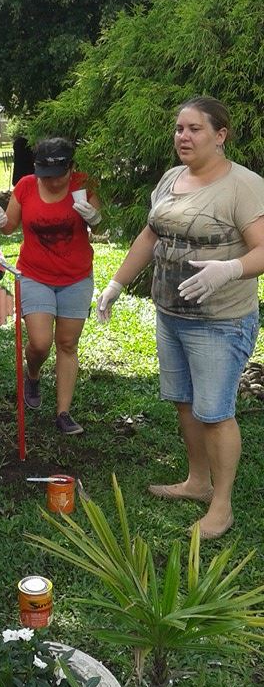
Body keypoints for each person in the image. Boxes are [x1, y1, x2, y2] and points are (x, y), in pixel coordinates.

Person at [97, 97, 264, 539]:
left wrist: (228, 268)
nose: (183, 137)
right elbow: (150, 234)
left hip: (220, 319)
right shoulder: (173, 178)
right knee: (185, 402)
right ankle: (197, 482)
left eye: (194, 129)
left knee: (215, 411)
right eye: (179, 129)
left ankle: (222, 506)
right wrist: (115, 284)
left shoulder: (242, 186)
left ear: (221, 134)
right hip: (171, 313)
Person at [0, 136, 102, 435]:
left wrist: (95, 217)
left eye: (58, 176)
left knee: (67, 343)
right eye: (46, 176)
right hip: (35, 274)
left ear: (70, 168)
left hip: (76, 275)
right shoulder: (26, 185)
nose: (52, 183)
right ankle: (34, 373)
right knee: (40, 343)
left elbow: (99, 224)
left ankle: (63, 412)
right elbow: (10, 226)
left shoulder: (83, 183)